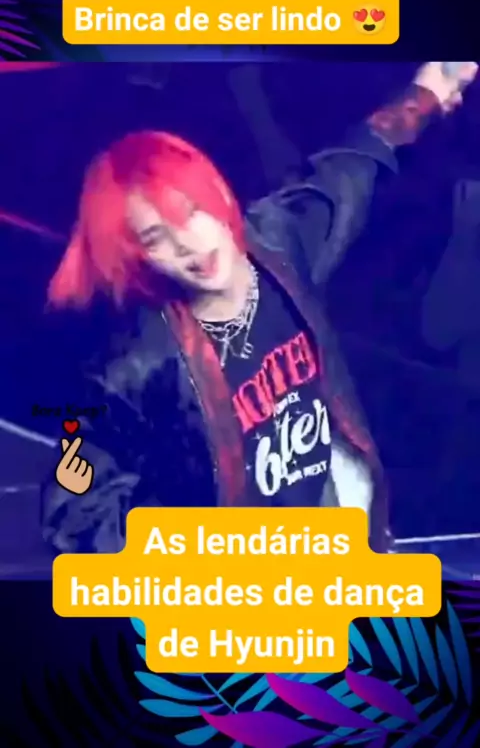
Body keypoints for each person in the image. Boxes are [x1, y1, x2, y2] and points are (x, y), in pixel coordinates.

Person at [41, 62, 478, 557]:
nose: (188, 244)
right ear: (139, 255)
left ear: (216, 193)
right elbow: (73, 514)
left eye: (191, 212)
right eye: (156, 237)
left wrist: (427, 92)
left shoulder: (278, 243)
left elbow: (349, 167)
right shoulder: (135, 363)